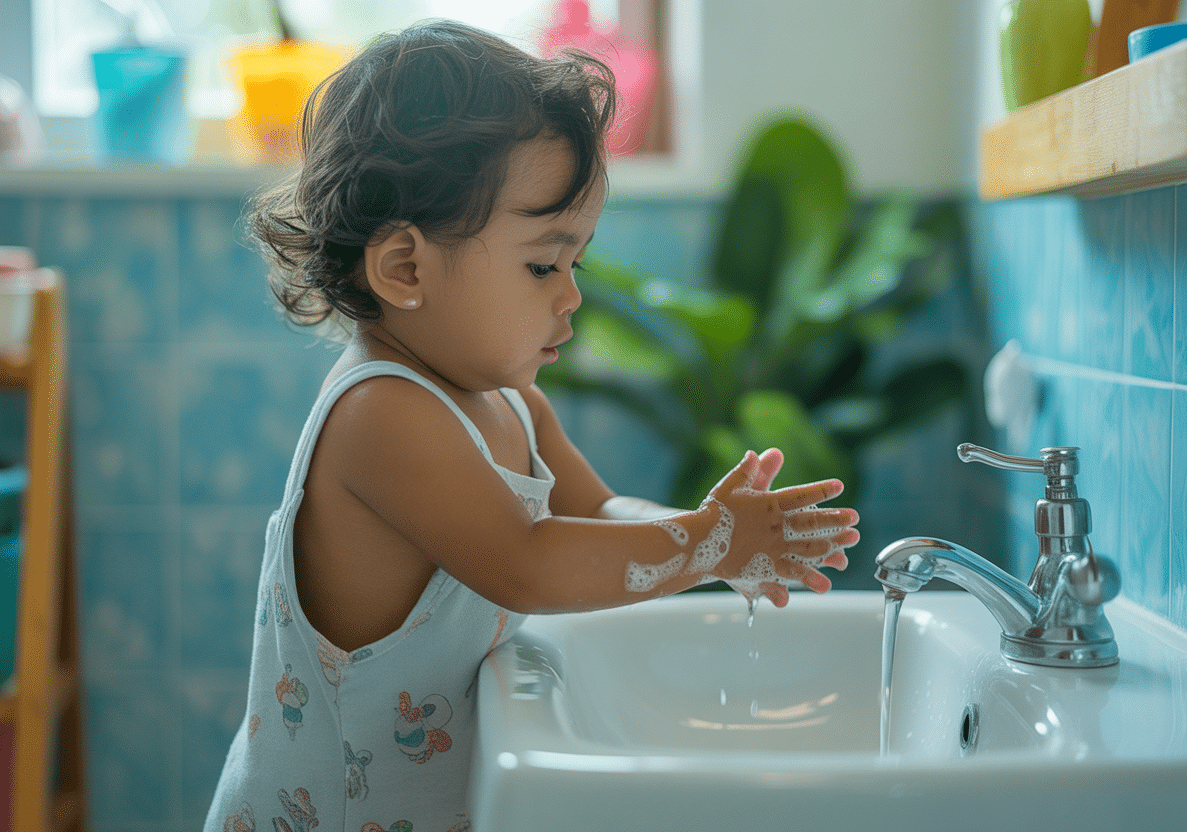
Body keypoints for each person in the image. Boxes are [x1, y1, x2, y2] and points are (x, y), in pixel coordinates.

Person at [204, 19, 860, 832]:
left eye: (574, 262)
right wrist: (708, 546)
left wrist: (703, 534)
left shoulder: (511, 403)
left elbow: (601, 513)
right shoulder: (384, 415)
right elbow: (525, 566)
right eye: (543, 264)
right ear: (405, 268)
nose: (571, 294)